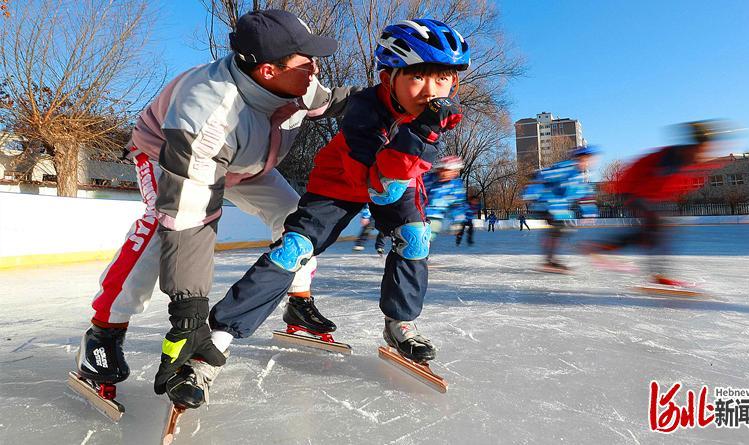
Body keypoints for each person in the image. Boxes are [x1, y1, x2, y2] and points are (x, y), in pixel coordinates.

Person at [73, 9, 359, 410]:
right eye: (306, 59)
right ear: (268, 71)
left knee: (297, 222)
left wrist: (390, 101)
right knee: (161, 230)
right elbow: (188, 219)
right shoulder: (209, 113)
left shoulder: (300, 81)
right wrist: (188, 316)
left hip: (245, 164)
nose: (316, 67)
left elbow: (331, 103)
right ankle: (103, 333)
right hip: (170, 155)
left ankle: (298, 302)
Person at [200, 19, 469, 394]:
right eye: (418, 77)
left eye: (442, 79)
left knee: (415, 236)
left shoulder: (434, 110)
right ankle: (218, 337)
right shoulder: (364, 111)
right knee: (295, 248)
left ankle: (400, 323)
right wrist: (420, 134)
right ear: (388, 77)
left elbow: (401, 179)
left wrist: (420, 135)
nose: (431, 91)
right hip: (342, 180)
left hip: (396, 178)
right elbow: (375, 188)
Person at [583, 121, 727, 285]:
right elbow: (661, 177)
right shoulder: (673, 157)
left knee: (653, 232)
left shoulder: (684, 156)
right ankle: (655, 273)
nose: (705, 153)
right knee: (655, 226)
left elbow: (678, 179)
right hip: (631, 190)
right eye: (703, 148)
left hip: (644, 194)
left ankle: (600, 247)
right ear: (694, 145)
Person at [522, 146, 598, 271]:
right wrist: (532, 192)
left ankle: (550, 259)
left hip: (556, 207)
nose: (587, 163)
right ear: (578, 158)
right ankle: (549, 261)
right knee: (560, 228)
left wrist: (589, 211)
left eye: (589, 160)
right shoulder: (566, 168)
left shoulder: (578, 176)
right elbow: (542, 175)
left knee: (565, 228)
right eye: (585, 159)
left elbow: (583, 194)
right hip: (544, 203)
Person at [424, 155, 469, 240]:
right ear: (439, 170)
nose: (446, 174)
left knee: (426, 237)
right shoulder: (428, 180)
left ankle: (422, 249)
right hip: (419, 214)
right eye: (444, 171)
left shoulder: (456, 186)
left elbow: (458, 205)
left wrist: (458, 220)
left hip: (435, 217)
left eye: (453, 172)